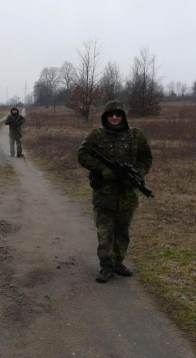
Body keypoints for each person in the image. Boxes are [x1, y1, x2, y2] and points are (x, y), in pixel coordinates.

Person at [77, 99, 153, 283]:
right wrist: (103, 170)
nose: (114, 117)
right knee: (105, 232)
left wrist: (137, 174)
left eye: (118, 114)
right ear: (105, 116)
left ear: (123, 116)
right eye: (111, 114)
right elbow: (82, 155)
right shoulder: (97, 135)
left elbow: (146, 159)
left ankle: (118, 262)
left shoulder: (136, 135)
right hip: (104, 193)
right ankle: (106, 266)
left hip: (127, 194)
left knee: (122, 231)